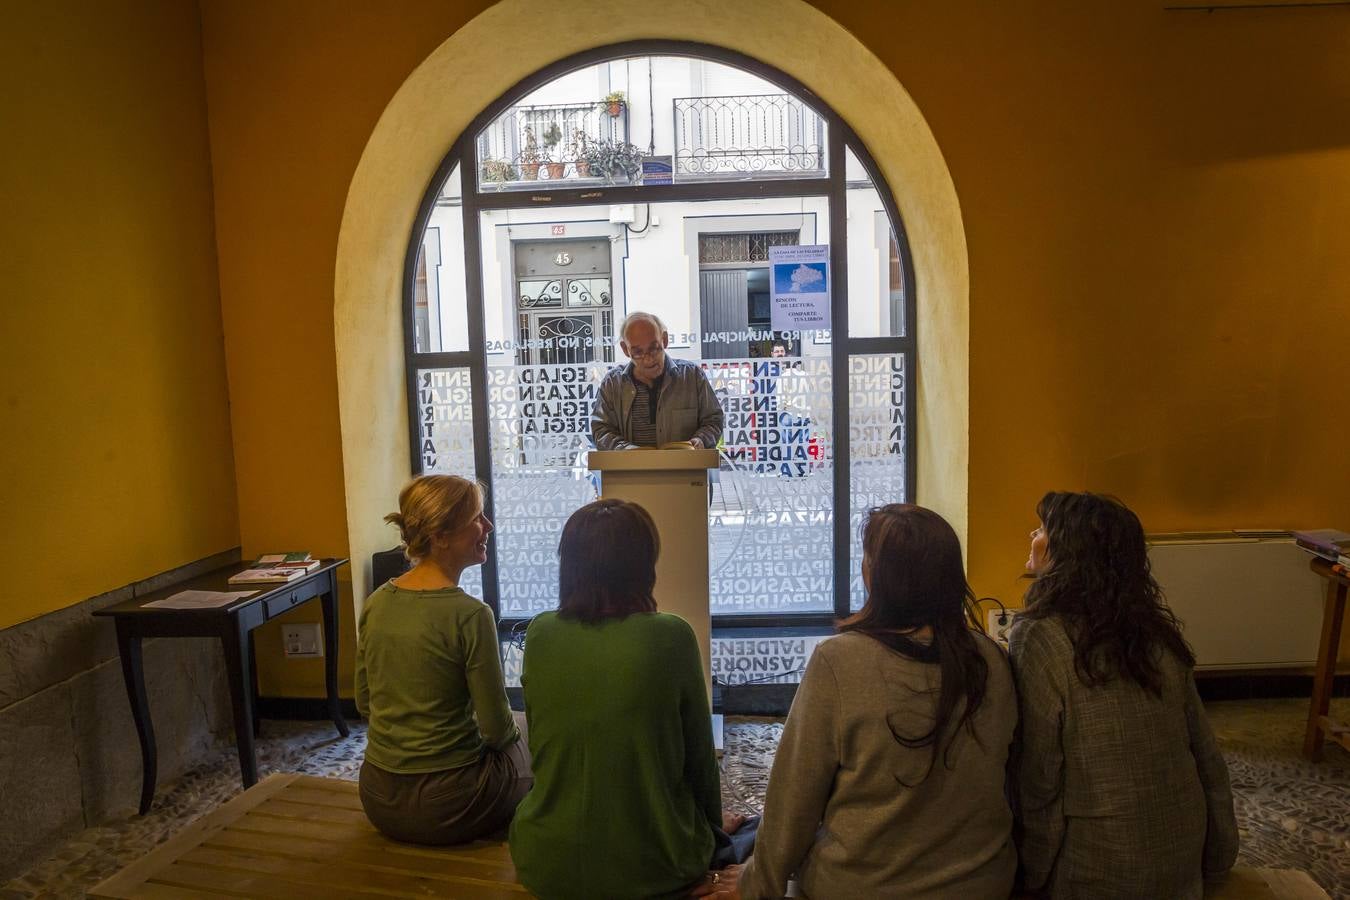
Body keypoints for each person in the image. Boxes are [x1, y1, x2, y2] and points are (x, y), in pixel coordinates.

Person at [698, 504, 1017, 900]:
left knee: (749, 834)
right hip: (981, 882)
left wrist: (756, 882)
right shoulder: (993, 659)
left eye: (867, 558)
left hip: (864, 885)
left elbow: (795, 799)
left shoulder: (840, 661)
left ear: (879, 577)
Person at [509, 499, 753, 899]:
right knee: (763, 827)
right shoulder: (671, 635)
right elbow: (699, 760)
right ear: (643, 566)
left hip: (543, 859)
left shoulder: (540, 633)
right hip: (656, 865)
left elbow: (546, 746)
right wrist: (710, 831)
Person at [1010, 491, 1238, 899]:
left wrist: (1028, 876)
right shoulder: (1155, 633)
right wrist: (1218, 859)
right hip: (1181, 857)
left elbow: (1040, 779)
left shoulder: (1040, 636)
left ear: (1069, 552)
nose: (1033, 533)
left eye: (1043, 528)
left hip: (1098, 868)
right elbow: (1207, 758)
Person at [354, 474, 530, 845]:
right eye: (477, 519)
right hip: (447, 806)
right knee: (529, 731)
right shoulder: (470, 614)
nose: (489, 527)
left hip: (377, 797)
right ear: (440, 537)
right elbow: (497, 730)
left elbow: (365, 702)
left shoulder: (376, 603)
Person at [591, 311, 724, 450]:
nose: (648, 359)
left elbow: (713, 420)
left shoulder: (692, 376)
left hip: (684, 469)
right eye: (638, 352)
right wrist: (625, 450)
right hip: (630, 470)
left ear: (664, 340)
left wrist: (701, 439)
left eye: (654, 348)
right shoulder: (612, 384)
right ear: (625, 349)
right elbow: (600, 430)